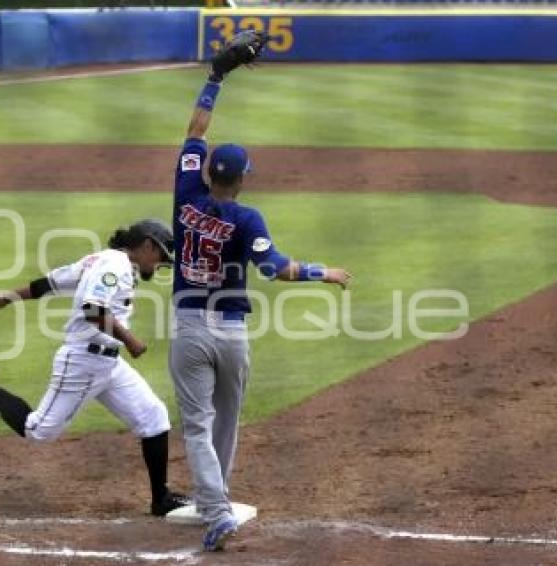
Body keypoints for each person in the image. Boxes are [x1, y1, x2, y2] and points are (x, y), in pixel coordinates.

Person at [169, 31, 352, 551]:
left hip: (188, 329)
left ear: (207, 172)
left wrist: (214, 78)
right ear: (244, 178)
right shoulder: (247, 218)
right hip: (231, 333)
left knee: (197, 424)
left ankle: (216, 506)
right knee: (226, 420)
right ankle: (217, 501)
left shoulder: (185, 193)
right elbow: (274, 270)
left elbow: (194, 132)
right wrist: (322, 273)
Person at [0, 219, 189, 517]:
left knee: (154, 416)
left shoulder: (99, 260)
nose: (161, 263)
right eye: (161, 255)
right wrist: (131, 340)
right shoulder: (115, 265)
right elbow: (92, 308)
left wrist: (6, 298)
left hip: (108, 363)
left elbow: (48, 284)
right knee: (38, 430)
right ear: (147, 245)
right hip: (82, 361)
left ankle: (160, 499)